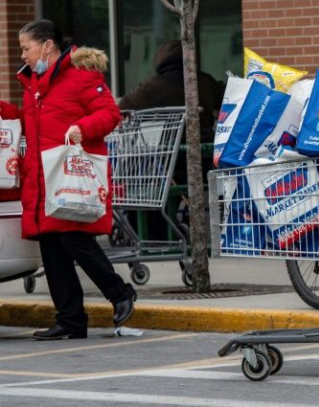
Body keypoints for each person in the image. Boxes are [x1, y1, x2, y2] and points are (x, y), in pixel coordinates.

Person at [0, 19, 136, 340]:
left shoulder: (81, 77)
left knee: (74, 239)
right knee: (52, 248)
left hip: (68, 175)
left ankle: (120, 293)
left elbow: (110, 113)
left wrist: (82, 128)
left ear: (47, 45)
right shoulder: (34, 85)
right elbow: (28, 122)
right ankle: (71, 320)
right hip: (42, 178)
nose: (23, 55)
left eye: (26, 48)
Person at [118, 39, 224, 144]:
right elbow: (225, 97)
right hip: (205, 142)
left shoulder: (154, 86)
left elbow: (124, 105)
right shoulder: (205, 81)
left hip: (172, 146)